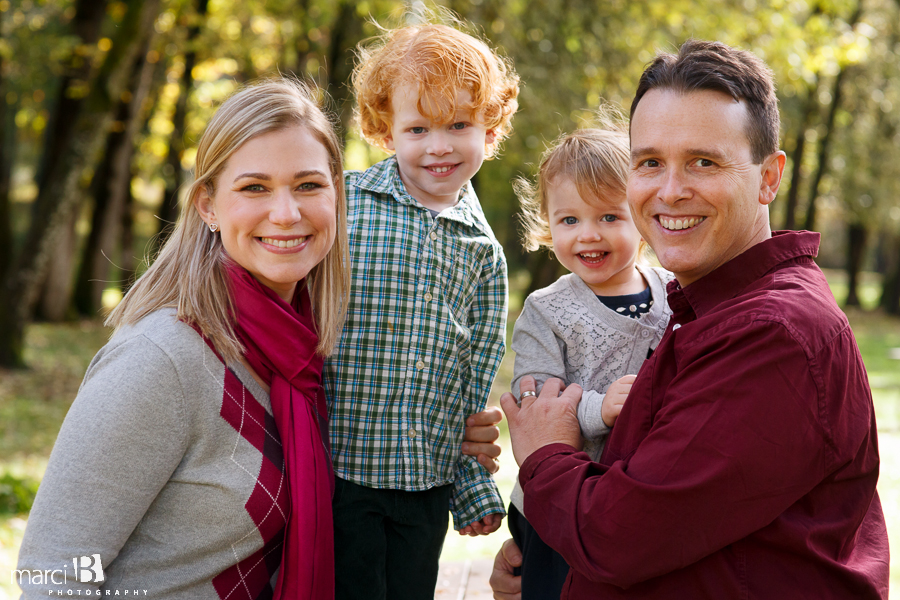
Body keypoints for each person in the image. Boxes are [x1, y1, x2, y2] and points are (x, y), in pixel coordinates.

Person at [14, 77, 500, 600]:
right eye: (254, 187)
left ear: (339, 195)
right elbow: (52, 574)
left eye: (309, 185)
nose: (287, 213)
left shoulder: (308, 353)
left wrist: (444, 428)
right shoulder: (163, 358)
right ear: (207, 205)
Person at [493, 39, 889, 599]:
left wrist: (543, 457)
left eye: (704, 162)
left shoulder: (773, 333)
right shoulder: (699, 308)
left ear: (768, 178)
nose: (671, 191)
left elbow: (617, 533)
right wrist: (542, 553)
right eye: (650, 162)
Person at [321, 20, 519, 600]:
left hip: (422, 484)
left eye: (460, 124)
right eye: (418, 127)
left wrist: (468, 487)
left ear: (491, 127)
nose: (440, 145)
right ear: (385, 131)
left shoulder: (483, 254)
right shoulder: (344, 204)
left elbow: (471, 385)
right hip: (336, 467)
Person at [507, 124, 672, 599]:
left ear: (642, 214)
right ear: (548, 224)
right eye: (570, 220)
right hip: (558, 500)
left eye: (608, 217)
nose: (588, 235)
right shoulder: (548, 309)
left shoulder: (670, 293)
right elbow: (533, 404)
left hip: (632, 493)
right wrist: (599, 409)